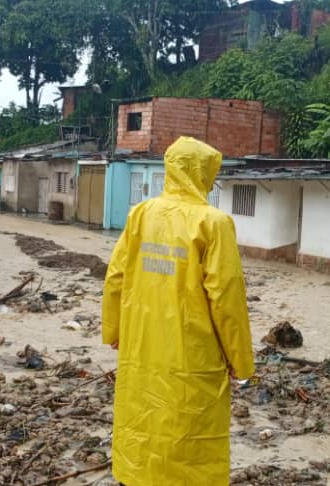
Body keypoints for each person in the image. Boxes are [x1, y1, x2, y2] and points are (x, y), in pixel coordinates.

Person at [103, 136, 254, 485]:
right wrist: (241, 360)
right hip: (193, 355)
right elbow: (227, 299)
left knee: (143, 424)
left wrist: (115, 330)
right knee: (190, 438)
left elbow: (116, 276)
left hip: (141, 346)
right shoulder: (213, 223)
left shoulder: (141, 213)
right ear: (201, 174)